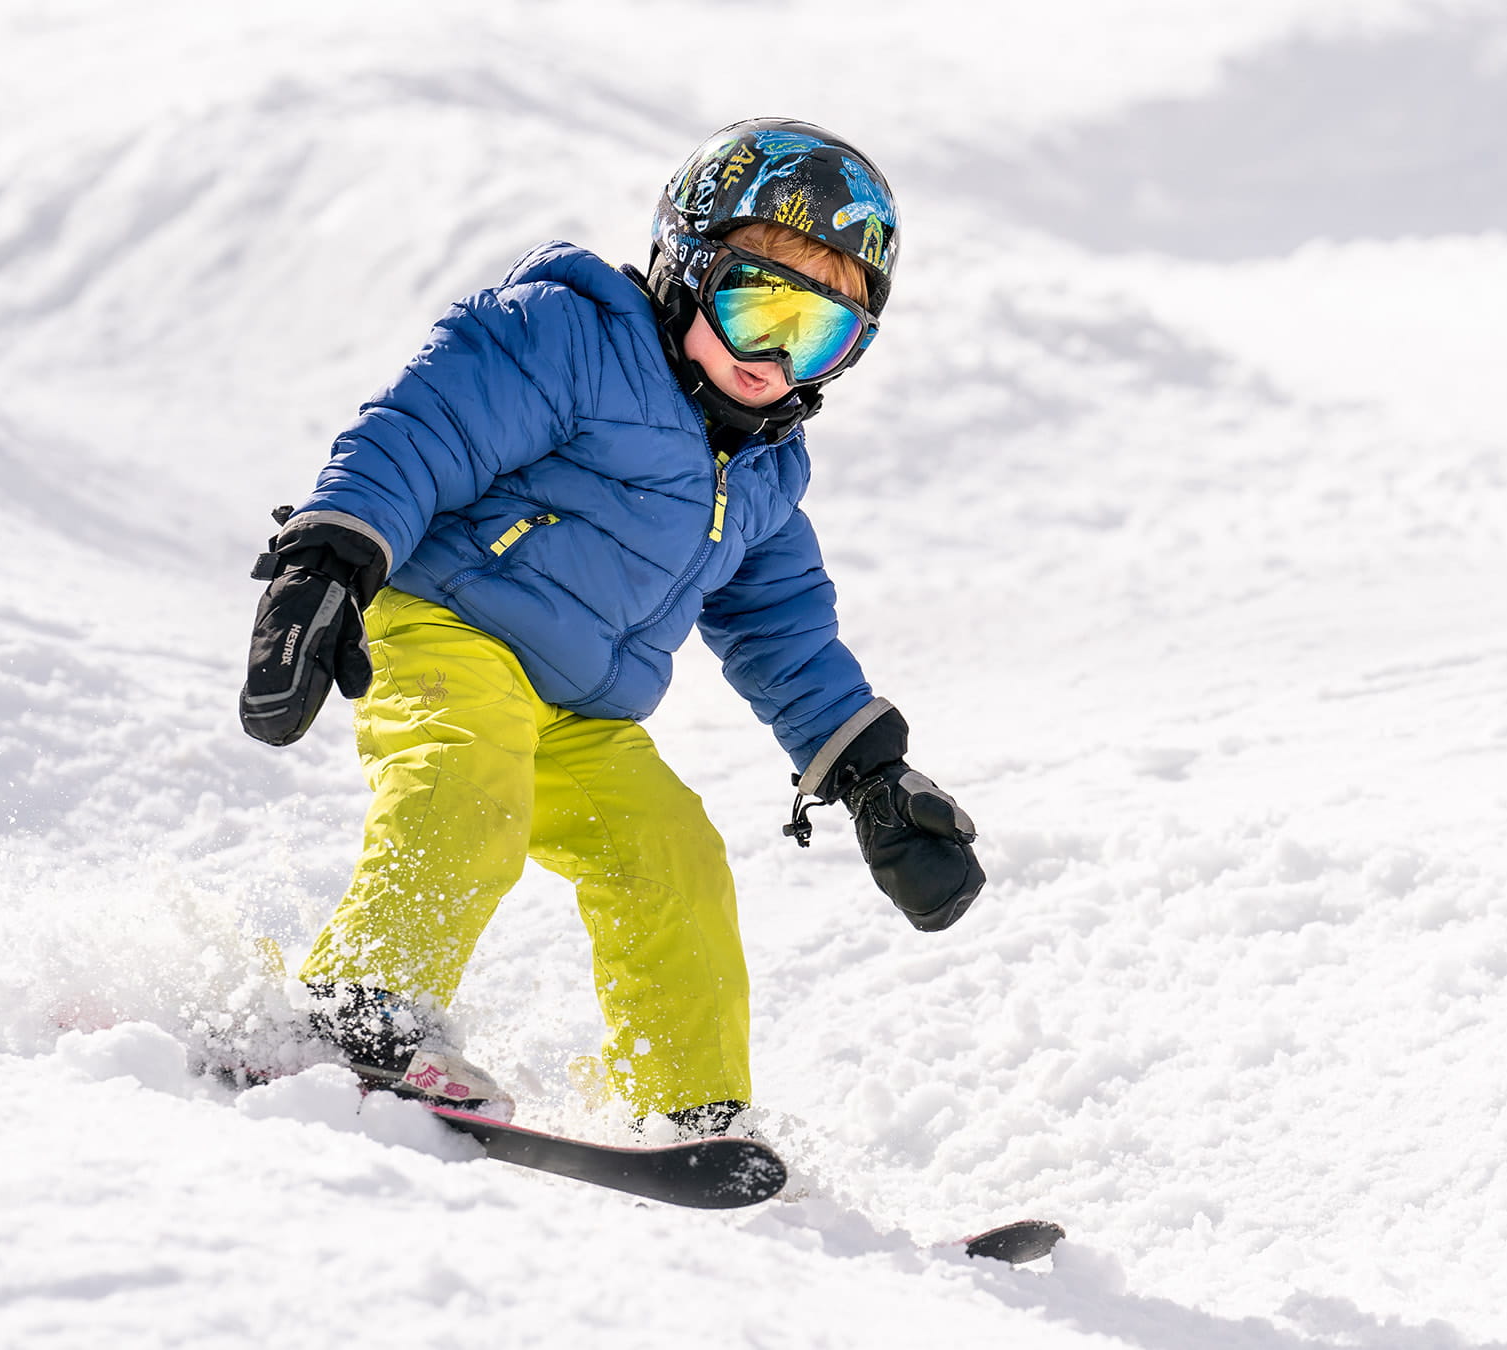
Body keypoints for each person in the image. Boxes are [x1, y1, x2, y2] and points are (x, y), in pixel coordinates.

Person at [236, 119, 985, 1136]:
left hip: (579, 713)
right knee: (467, 782)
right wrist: (328, 554)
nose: (773, 356)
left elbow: (785, 635)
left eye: (816, 335)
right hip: (450, 630)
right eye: (755, 304)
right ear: (686, 266)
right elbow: (425, 429)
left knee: (674, 857)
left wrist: (869, 773)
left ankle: (690, 1114)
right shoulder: (570, 338)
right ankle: (354, 1017)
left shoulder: (763, 471)